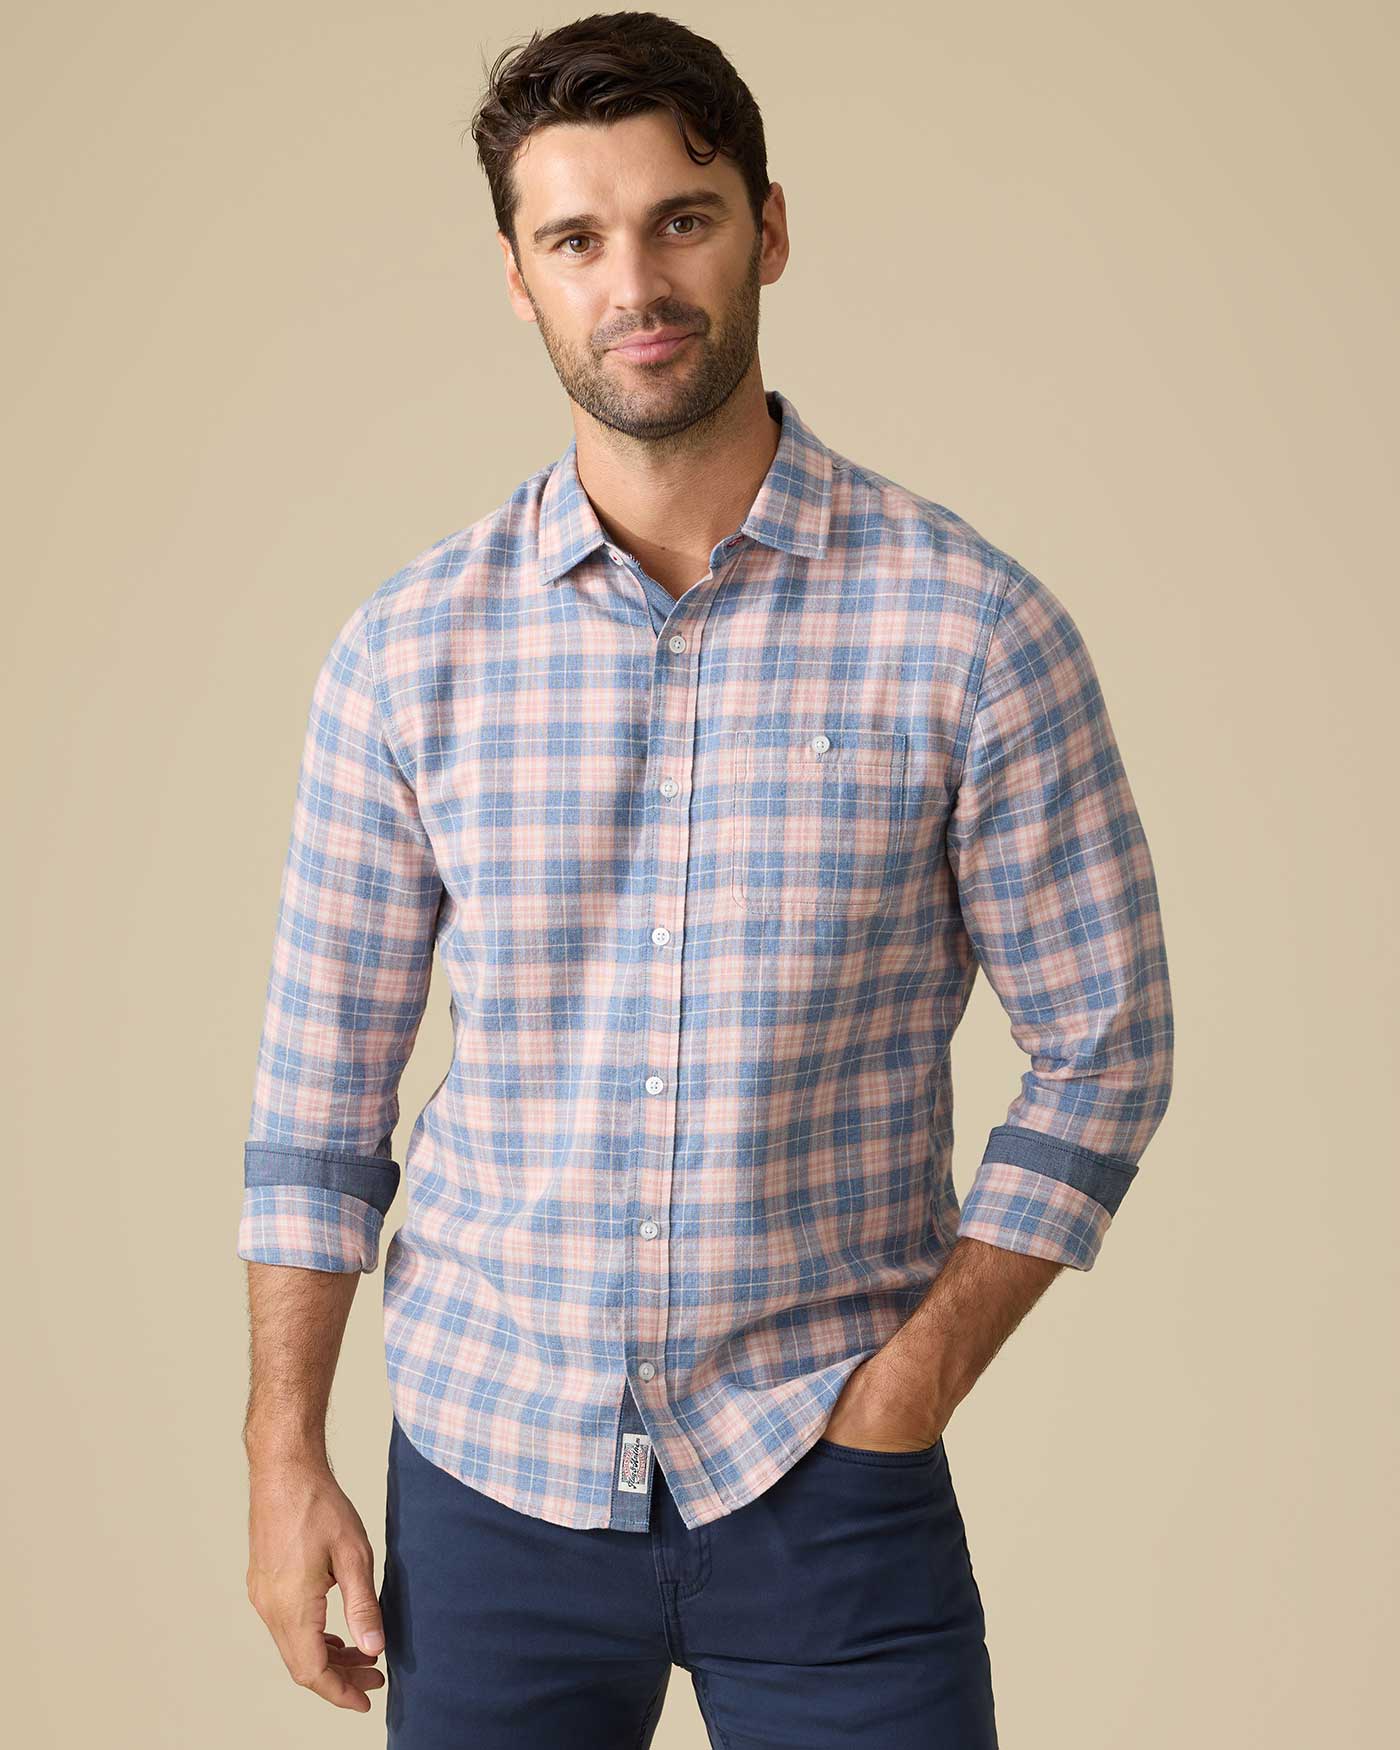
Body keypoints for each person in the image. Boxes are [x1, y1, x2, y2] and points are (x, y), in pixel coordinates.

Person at [239, 12, 1174, 1747]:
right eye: (576, 239)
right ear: (518, 277)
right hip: (490, 1478)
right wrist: (282, 1451)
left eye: (683, 218)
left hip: (828, 1473)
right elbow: (320, 1098)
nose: (636, 283)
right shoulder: (406, 657)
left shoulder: (970, 630)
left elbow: (1108, 1039)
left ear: (770, 229)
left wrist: (917, 1379)